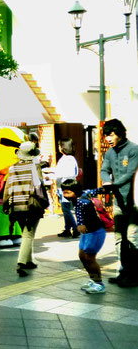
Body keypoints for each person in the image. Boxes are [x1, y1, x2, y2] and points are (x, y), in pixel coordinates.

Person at [100, 118, 138, 287]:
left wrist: (113, 185)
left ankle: (134, 275)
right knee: (118, 239)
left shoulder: (133, 150)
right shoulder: (109, 152)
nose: (108, 139)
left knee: (132, 238)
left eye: (111, 135)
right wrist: (106, 181)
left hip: (134, 202)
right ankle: (123, 272)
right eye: (106, 135)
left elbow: (130, 174)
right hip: (118, 202)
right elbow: (104, 170)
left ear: (121, 133)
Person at [3, 141, 47, 278]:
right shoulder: (34, 167)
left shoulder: (12, 168)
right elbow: (39, 186)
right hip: (31, 205)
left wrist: (5, 204)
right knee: (28, 234)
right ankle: (21, 263)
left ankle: (28, 261)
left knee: (26, 232)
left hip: (16, 206)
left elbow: (7, 188)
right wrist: (45, 202)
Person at [60, 179, 107, 294]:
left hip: (95, 232)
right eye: (64, 192)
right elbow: (94, 191)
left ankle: (99, 283)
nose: (65, 195)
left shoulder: (81, 201)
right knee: (82, 255)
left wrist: (80, 224)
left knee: (90, 258)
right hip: (88, 233)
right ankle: (93, 278)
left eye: (68, 192)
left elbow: (80, 212)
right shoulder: (83, 194)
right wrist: (103, 189)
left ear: (75, 191)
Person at [55, 138, 79, 238]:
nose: (59, 147)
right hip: (70, 185)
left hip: (65, 187)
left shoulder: (65, 159)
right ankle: (67, 229)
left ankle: (75, 228)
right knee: (66, 209)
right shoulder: (72, 159)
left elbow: (61, 174)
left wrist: (52, 176)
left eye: (60, 145)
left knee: (66, 209)